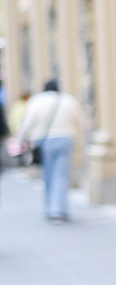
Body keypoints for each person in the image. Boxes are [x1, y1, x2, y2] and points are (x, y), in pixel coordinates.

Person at [18, 79, 85, 222]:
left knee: (48, 174)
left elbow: (27, 122)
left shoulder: (37, 101)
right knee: (61, 175)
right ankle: (59, 211)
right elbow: (80, 121)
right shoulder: (68, 100)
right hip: (65, 138)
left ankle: (50, 209)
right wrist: (78, 140)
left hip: (44, 140)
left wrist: (23, 139)